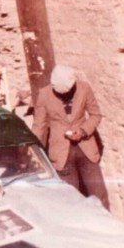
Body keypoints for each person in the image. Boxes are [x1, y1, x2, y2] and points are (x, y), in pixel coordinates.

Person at [32, 64, 110, 210]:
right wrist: (33, 153)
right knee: (70, 201)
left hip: (86, 149)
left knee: (99, 195)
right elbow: (39, 126)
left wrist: (83, 131)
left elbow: (95, 115)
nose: (65, 95)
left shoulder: (84, 88)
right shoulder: (44, 94)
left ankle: (105, 223)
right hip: (61, 154)